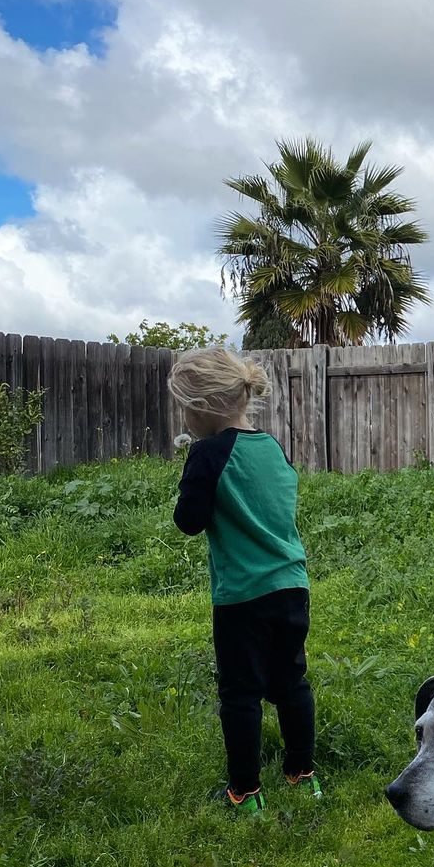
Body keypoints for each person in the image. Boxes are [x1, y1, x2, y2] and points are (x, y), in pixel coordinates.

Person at [167, 346, 320, 816]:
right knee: (292, 682)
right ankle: (301, 775)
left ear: (202, 406)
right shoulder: (272, 447)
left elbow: (188, 521)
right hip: (292, 586)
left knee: (240, 693)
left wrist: (193, 472)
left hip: (242, 596)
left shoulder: (208, 455)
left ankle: (244, 792)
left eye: (183, 408)